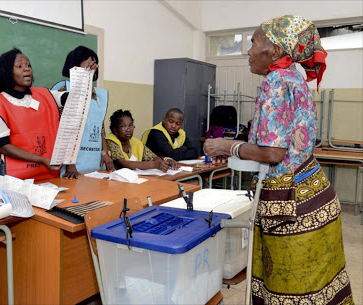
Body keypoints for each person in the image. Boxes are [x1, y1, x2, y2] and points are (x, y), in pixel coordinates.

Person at [204, 15, 354, 305]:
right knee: (318, 287)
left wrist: (226, 145)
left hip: (293, 209)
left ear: (275, 51)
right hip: (314, 195)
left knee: (291, 291)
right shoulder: (294, 77)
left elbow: (273, 153)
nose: (248, 51)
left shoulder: (276, 81)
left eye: (254, 43)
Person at [0, 48, 66, 181]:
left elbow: (73, 98)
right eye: (19, 66)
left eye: (28, 65)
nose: (27, 69)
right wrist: (41, 159)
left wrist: (85, 77)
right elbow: (4, 147)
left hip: (46, 170)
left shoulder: (44, 94)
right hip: (14, 174)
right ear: (7, 72)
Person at [51, 46, 115, 179]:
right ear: (75, 66)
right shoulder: (64, 90)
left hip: (95, 161)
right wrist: (70, 163)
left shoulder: (98, 95)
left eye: (94, 65)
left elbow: (99, 128)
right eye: (88, 65)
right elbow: (64, 129)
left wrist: (105, 153)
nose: (92, 69)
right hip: (72, 163)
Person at [106, 109, 178, 172]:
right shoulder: (111, 141)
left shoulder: (136, 142)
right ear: (115, 130)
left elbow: (154, 157)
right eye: (123, 126)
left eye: (131, 126)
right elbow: (124, 163)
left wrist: (165, 162)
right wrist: (155, 165)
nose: (128, 130)